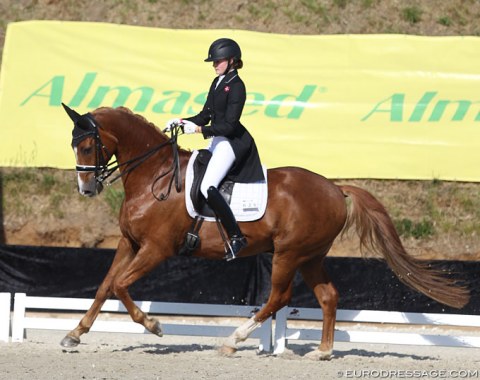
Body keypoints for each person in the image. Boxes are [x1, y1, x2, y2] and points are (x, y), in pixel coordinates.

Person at [165, 38, 264, 261]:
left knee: (208, 186)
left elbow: (229, 125)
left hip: (231, 141)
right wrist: (181, 122)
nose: (214, 64)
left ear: (231, 61)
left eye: (218, 60)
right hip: (217, 139)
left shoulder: (237, 87)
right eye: (214, 61)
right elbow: (205, 115)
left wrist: (199, 130)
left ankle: (237, 237)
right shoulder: (217, 82)